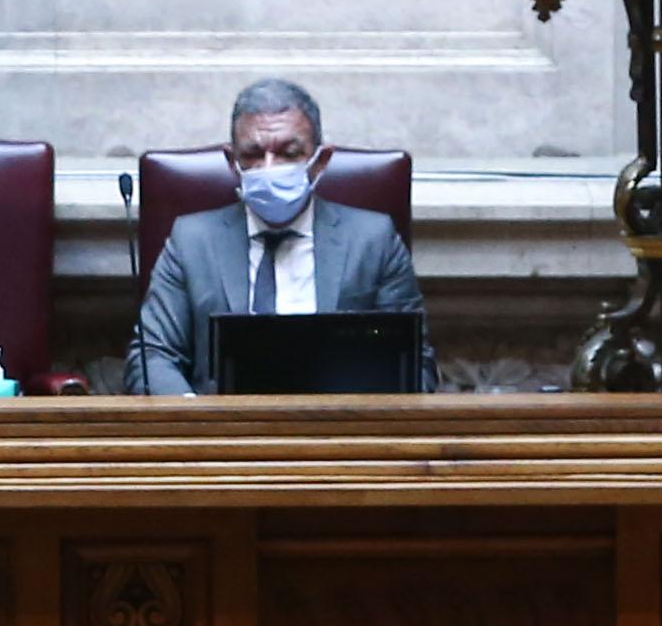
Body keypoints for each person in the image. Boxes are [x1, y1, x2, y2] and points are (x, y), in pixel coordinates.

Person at [123, 77, 433, 397]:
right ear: (233, 163)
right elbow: (152, 356)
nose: (269, 167)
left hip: (337, 434)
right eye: (253, 154)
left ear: (320, 162)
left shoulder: (373, 240)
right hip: (221, 436)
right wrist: (202, 424)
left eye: (289, 153)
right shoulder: (191, 241)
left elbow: (414, 365)